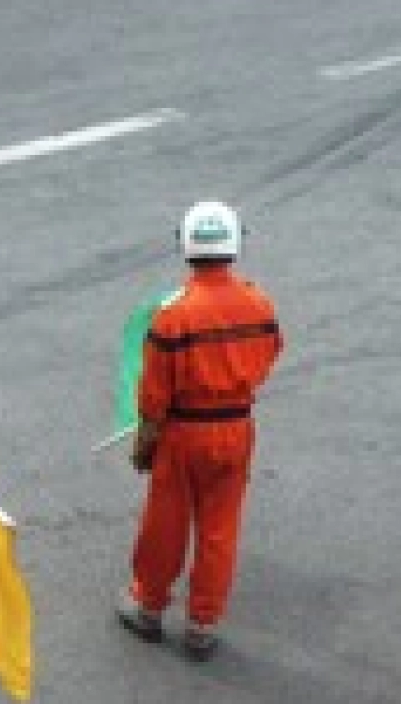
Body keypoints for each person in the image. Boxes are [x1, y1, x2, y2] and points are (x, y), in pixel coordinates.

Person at [115, 201, 282, 659]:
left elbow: (153, 396)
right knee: (220, 527)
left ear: (185, 245)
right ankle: (203, 623)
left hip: (182, 433)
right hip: (235, 429)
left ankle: (148, 606)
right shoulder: (259, 303)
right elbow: (270, 353)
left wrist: (144, 445)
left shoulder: (173, 316)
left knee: (165, 523)